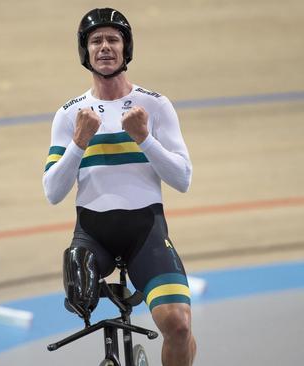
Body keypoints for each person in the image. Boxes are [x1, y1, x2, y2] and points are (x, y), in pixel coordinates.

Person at [43, 8, 196, 366]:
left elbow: (182, 179)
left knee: (178, 326)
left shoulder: (155, 105)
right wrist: (79, 142)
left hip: (146, 231)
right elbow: (52, 192)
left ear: (126, 48)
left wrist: (145, 138)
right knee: (76, 273)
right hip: (92, 235)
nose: (105, 47)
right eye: (96, 40)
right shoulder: (70, 114)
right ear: (85, 51)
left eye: (113, 39)